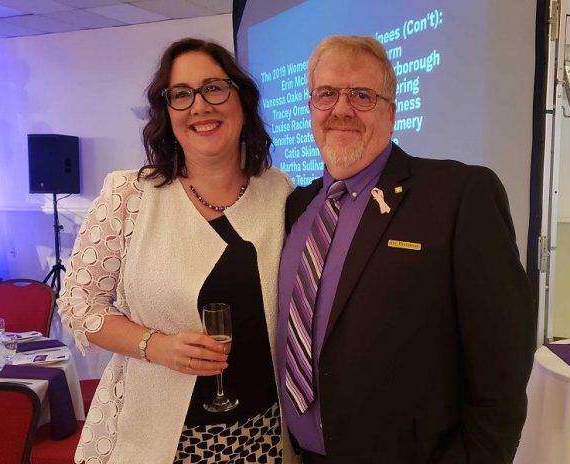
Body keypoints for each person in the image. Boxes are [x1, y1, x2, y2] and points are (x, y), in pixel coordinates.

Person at [276, 35, 536, 464]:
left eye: (361, 95)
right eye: (327, 94)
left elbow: (502, 369)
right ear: (311, 108)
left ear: (390, 113)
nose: (341, 109)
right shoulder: (297, 208)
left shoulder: (459, 195)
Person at [58, 38, 299, 464]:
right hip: (157, 437)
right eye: (181, 94)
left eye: (214, 88)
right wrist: (156, 345)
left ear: (241, 101)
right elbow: (78, 305)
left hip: (263, 434)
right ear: (167, 113)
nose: (199, 106)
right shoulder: (128, 195)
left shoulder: (278, 192)